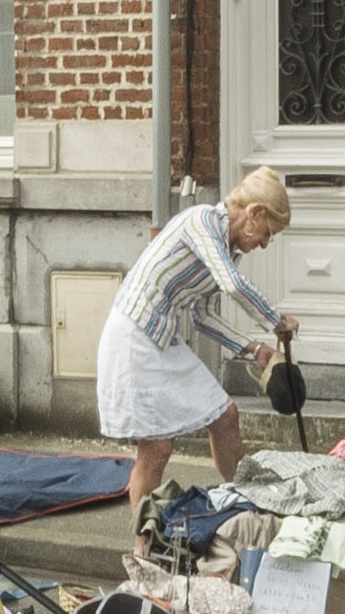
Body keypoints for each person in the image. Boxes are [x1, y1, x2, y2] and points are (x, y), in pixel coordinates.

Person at [98, 165, 298, 544]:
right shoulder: (201, 221)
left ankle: (246, 505)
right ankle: (144, 548)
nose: (266, 243)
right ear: (254, 213)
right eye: (269, 232)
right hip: (133, 336)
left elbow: (203, 316)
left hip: (163, 336)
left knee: (225, 416)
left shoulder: (227, 249)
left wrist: (252, 348)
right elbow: (231, 284)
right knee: (155, 448)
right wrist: (275, 320)